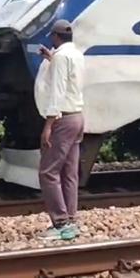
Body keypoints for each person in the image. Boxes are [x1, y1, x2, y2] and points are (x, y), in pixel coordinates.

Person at [33, 19, 85, 241]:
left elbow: (57, 93)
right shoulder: (76, 55)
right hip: (78, 117)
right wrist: (51, 59)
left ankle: (61, 224)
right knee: (69, 173)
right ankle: (70, 220)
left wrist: (48, 125)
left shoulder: (62, 57)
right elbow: (69, 76)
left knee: (48, 172)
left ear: (55, 37)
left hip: (62, 120)